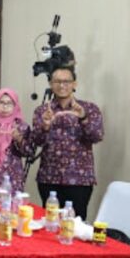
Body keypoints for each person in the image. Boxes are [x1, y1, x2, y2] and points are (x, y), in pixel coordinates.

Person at [29, 66, 104, 220]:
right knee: (50, 225)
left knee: (75, 226)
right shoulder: (42, 111)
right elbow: (36, 141)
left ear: (74, 84)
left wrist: (83, 118)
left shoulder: (89, 108)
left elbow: (97, 136)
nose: (62, 85)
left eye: (66, 81)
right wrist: (45, 126)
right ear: (50, 84)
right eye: (57, 81)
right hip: (49, 178)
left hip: (79, 179)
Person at [0, 88, 31, 193]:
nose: (5, 106)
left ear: (15, 105)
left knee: (11, 206)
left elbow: (29, 152)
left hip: (13, 174)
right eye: (1, 102)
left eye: (9, 103)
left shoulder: (21, 126)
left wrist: (19, 139)